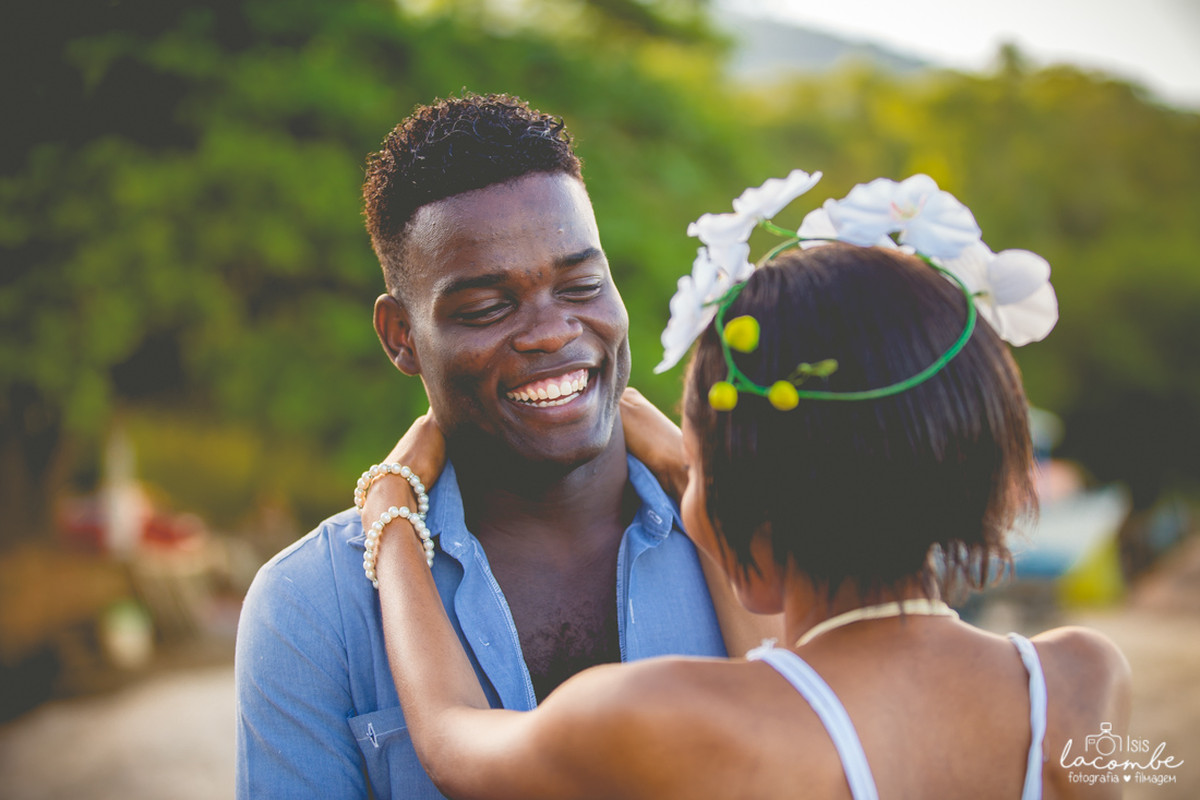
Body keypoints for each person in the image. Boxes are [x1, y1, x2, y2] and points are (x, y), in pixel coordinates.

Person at [367, 170, 1133, 799]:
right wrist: (691, 465)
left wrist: (393, 513)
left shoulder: (661, 714)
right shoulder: (1076, 681)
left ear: (750, 507)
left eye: (698, 471)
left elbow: (446, 734)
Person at [234, 92, 771, 799]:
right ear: (401, 337)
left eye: (581, 284)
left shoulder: (763, 547)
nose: (551, 332)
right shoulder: (310, 606)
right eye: (488, 307)